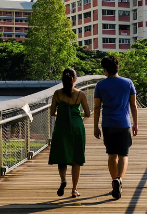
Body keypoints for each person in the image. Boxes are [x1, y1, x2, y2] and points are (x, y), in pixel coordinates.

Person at [94, 55, 138, 200]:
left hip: (108, 124)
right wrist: (135, 124)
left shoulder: (100, 85)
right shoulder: (128, 83)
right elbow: (133, 105)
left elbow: (97, 106)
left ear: (105, 70)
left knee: (112, 155)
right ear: (118, 67)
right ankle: (119, 179)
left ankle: (114, 181)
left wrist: (95, 126)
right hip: (124, 124)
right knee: (124, 155)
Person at [48, 68, 91, 198]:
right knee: (76, 159)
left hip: (62, 127)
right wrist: (77, 116)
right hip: (77, 127)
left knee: (62, 157)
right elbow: (88, 113)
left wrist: (61, 113)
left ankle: (63, 180)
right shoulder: (80, 94)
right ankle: (74, 190)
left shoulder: (57, 94)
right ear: (75, 79)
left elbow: (52, 112)